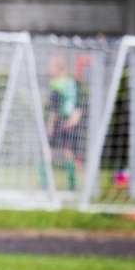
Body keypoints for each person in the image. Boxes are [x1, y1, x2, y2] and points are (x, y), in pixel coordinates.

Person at [45, 54, 82, 190]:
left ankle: (43, 183)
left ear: (58, 68)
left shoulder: (57, 84)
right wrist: (73, 120)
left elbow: (54, 107)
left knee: (48, 151)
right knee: (67, 153)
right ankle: (72, 185)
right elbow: (78, 105)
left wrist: (50, 125)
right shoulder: (72, 83)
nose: (48, 69)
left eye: (50, 66)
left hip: (59, 120)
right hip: (71, 122)